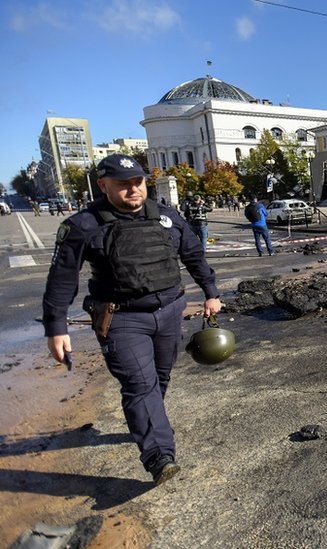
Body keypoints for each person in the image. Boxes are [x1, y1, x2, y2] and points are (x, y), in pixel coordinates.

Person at [41, 153, 222, 486]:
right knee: (140, 384)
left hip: (169, 313)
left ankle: (148, 422)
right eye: (122, 184)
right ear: (103, 185)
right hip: (121, 319)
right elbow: (62, 277)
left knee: (160, 377)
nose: (133, 189)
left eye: (137, 182)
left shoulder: (166, 217)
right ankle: (159, 456)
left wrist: (210, 292)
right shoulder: (83, 226)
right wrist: (56, 326)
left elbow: (193, 254)